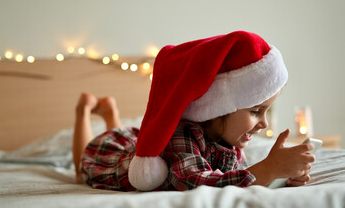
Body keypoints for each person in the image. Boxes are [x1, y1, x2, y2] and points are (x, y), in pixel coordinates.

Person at [73, 31, 315, 191]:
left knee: (124, 133)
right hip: (108, 154)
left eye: (266, 112)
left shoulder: (229, 139)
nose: (263, 123)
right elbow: (196, 182)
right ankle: (84, 110)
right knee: (81, 166)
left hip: (132, 140)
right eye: (255, 111)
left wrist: (282, 176)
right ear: (220, 108)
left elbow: (237, 177)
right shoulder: (181, 136)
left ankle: (109, 112)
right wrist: (268, 168)